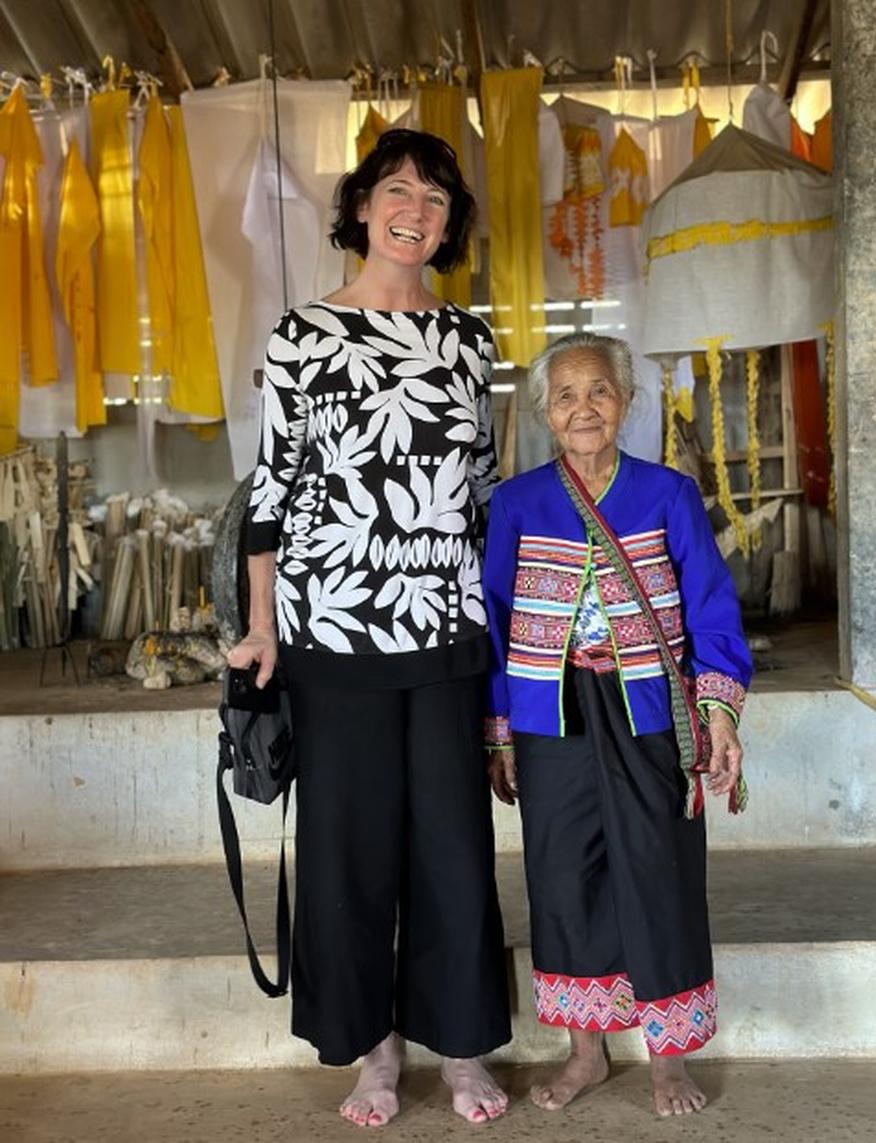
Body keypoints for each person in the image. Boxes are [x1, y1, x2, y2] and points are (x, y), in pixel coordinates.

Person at [228, 129, 510, 1128]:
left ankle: (466, 1047)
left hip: (443, 621)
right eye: (398, 191)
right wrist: (261, 626)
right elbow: (270, 491)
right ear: (359, 209)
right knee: (347, 853)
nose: (416, 212)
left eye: (436, 200)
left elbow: (481, 497)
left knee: (452, 846)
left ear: (448, 226)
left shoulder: (472, 342)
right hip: (331, 628)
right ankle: (375, 1053)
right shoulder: (302, 335)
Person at [482, 333, 752, 1118]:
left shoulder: (666, 494)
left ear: (625, 403)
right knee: (564, 874)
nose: (583, 408)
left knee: (657, 867)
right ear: (544, 412)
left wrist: (718, 712)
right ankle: (588, 1054)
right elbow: (494, 621)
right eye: (565, 395)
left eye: (598, 390)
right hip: (550, 712)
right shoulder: (517, 503)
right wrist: (498, 730)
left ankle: (668, 1056)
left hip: (646, 711)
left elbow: (709, 606)